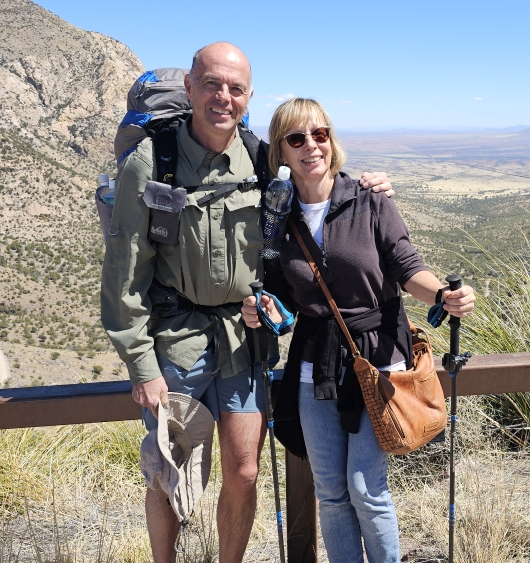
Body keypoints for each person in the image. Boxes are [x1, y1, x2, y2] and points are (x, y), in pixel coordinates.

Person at [101, 42, 395, 563]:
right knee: (172, 469)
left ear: (249, 95)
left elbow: (317, 187)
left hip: (244, 340)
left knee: (244, 470)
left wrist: (370, 186)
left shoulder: (260, 158)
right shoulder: (151, 164)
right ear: (190, 88)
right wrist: (142, 366)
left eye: (235, 88)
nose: (223, 97)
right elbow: (124, 275)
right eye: (211, 84)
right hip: (176, 342)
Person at [242, 98, 476, 563]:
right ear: (281, 154)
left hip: (378, 360)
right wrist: (263, 310)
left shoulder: (369, 200)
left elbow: (407, 267)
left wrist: (441, 297)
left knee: (366, 488)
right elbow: (281, 294)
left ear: (332, 141)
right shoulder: (277, 222)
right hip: (314, 366)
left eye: (320, 134)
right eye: (296, 138)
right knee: (330, 490)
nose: (311, 146)